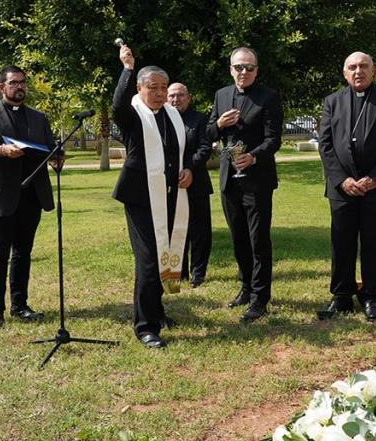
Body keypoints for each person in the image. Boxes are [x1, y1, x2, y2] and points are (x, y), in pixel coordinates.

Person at [112, 44, 194, 348]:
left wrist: (188, 170)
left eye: (163, 88)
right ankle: (145, 326)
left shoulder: (172, 116)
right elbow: (117, 106)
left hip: (170, 194)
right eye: (153, 88)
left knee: (163, 256)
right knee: (148, 262)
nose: (160, 94)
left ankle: (157, 313)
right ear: (140, 89)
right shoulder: (133, 116)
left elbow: (180, 153)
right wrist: (127, 68)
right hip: (140, 198)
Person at [0, 66, 61, 330]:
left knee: (23, 253)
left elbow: (49, 149)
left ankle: (20, 305)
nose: (19, 87)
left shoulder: (38, 117)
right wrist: (0, 150)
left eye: (22, 83)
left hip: (31, 195)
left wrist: (57, 159)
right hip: (0, 195)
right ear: (2, 87)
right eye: (14, 83)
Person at [317, 52, 376, 321]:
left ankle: (370, 296)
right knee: (341, 242)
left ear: (373, 70)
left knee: (375, 243)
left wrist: (375, 177)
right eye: (352, 67)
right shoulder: (332, 101)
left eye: (363, 66)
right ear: (345, 73)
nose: (358, 71)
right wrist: (343, 179)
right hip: (342, 187)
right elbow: (326, 144)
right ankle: (341, 297)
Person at [207, 47, 282, 322]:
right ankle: (246, 287)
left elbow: (273, 139)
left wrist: (253, 157)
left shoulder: (269, 97)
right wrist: (218, 123)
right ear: (231, 70)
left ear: (256, 70)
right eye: (238, 67)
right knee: (238, 237)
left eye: (249, 67)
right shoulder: (221, 95)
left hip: (257, 178)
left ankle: (260, 298)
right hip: (229, 177)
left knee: (257, 238)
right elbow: (208, 133)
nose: (243, 72)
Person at [167, 82, 213, 288]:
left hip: (197, 182)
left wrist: (188, 169)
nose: (175, 100)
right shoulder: (163, 119)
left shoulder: (201, 120)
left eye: (180, 95)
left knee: (199, 231)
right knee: (176, 229)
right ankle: (179, 271)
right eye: (172, 96)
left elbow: (204, 149)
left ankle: (198, 273)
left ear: (189, 97)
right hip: (171, 184)